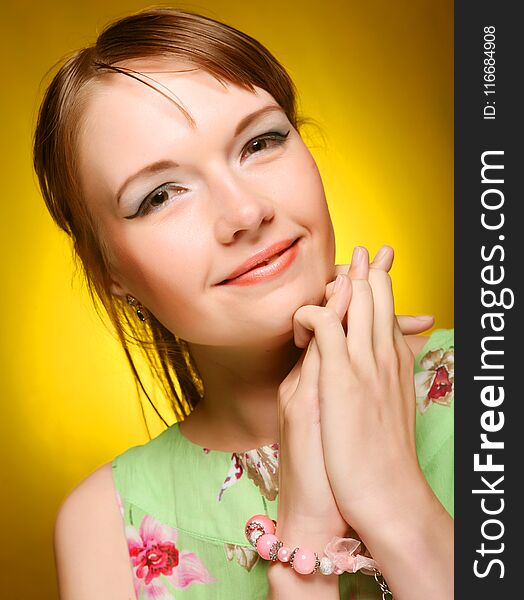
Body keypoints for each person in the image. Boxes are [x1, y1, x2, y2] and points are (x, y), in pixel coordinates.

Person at [33, 7, 454, 599]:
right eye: (160, 196)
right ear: (110, 270)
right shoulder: (106, 527)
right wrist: (302, 547)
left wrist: (391, 499)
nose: (246, 213)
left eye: (261, 141)